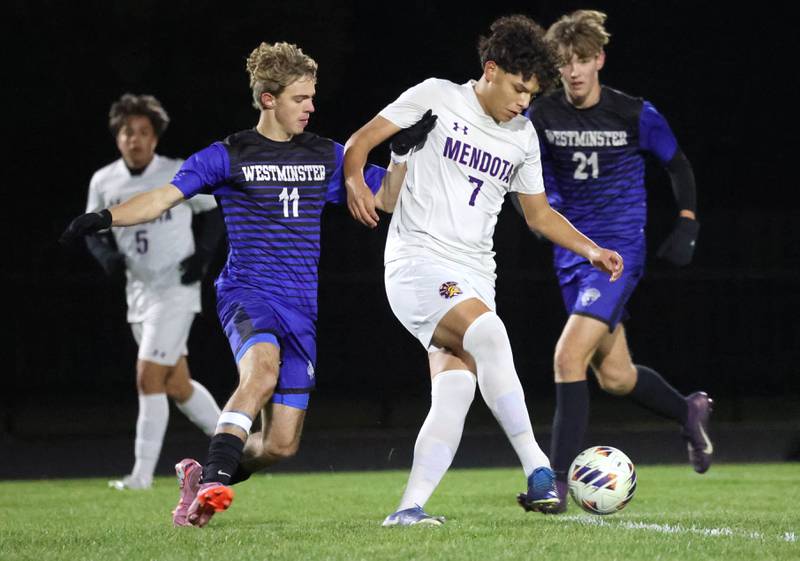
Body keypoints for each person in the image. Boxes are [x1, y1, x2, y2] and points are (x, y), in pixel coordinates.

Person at [61, 41, 429, 527]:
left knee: (280, 444)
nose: (311, 107)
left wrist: (401, 152)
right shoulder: (228, 154)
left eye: (312, 97)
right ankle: (211, 484)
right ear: (268, 99)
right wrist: (106, 218)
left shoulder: (325, 155)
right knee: (260, 373)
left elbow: (385, 200)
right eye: (301, 98)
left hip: (301, 307)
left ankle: (203, 474)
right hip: (247, 292)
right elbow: (161, 199)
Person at [343, 15, 623, 526]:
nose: (523, 102)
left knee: (455, 393)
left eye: (532, 94)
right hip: (417, 262)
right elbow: (359, 142)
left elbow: (538, 214)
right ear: (490, 70)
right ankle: (539, 468)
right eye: (518, 89)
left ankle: (408, 508)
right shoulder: (435, 96)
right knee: (490, 334)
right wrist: (354, 181)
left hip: (475, 275)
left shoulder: (522, 136)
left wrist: (590, 250)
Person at [522, 10, 712, 513]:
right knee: (616, 377)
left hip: (617, 254)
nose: (574, 71)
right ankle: (688, 411)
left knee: (568, 357)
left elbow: (678, 165)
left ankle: (554, 484)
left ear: (599, 60)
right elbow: (521, 167)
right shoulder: (542, 116)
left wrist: (687, 222)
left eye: (582, 60)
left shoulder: (634, 113)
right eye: (565, 63)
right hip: (571, 254)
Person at [82, 93, 223, 490]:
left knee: (148, 377)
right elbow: (93, 229)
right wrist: (106, 256)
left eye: (143, 132)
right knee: (177, 385)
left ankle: (141, 476)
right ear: (117, 137)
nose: (135, 139)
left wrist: (203, 256)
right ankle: (239, 446)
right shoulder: (104, 180)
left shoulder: (176, 171)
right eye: (128, 132)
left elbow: (214, 210)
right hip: (139, 293)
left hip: (175, 289)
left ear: (155, 137)